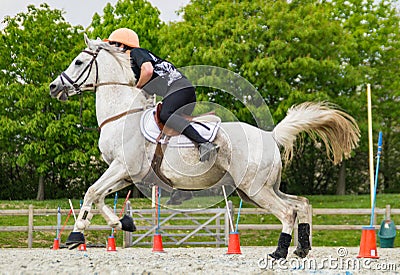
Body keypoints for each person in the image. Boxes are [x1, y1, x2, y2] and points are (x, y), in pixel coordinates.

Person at [105, 28, 218, 162]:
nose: (109, 48)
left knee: (165, 114)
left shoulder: (136, 53)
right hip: (179, 93)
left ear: (122, 45)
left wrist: (137, 87)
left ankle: (205, 143)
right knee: (159, 121)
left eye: (111, 44)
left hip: (180, 88)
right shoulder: (131, 67)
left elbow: (147, 71)